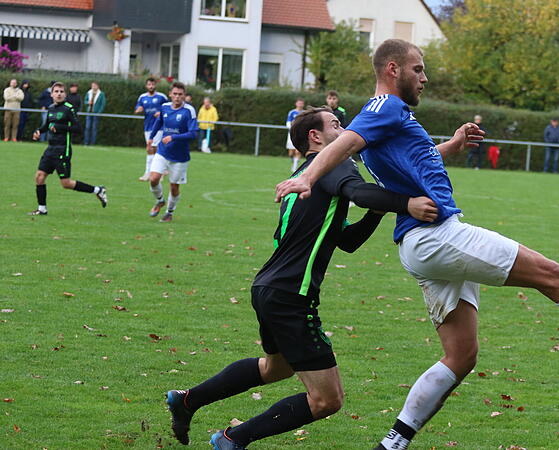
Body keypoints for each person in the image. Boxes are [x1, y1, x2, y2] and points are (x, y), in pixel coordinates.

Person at [275, 39, 559, 450]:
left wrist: (453, 144)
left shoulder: (390, 115)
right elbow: (347, 143)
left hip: (420, 243)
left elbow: (411, 157)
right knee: (550, 274)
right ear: (393, 69)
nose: (425, 78)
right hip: (437, 235)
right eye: (418, 69)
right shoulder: (385, 105)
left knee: (461, 356)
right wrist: (307, 176)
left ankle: (392, 443)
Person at [165, 107, 439, 449]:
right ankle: (232, 439)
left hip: (268, 288)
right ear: (315, 136)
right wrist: (407, 204)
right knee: (327, 399)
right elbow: (360, 192)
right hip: (291, 296)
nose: (345, 130)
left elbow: (348, 240)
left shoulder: (306, 174)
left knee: (275, 368)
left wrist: (379, 209)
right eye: (337, 125)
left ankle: (187, 400)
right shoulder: (334, 164)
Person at [29, 82, 107, 216]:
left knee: (66, 183)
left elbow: (78, 129)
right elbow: (47, 125)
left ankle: (98, 190)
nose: (59, 94)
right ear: (52, 94)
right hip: (50, 149)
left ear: (65, 94)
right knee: (40, 177)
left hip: (62, 150)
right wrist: (38, 131)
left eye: (61, 91)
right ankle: (42, 209)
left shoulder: (68, 109)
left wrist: (60, 128)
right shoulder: (51, 108)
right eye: (56, 91)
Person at [146, 82, 197, 223]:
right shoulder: (164, 107)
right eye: (175, 94)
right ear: (170, 94)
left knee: (174, 187)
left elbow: (193, 134)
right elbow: (159, 122)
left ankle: (169, 212)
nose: (177, 97)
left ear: (184, 96)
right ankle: (160, 201)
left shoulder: (189, 111)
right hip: (163, 151)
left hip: (180, 157)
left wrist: (173, 137)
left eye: (180, 94)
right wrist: (151, 138)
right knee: (153, 178)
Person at [134, 77, 169, 181]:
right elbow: (137, 108)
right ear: (146, 86)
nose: (151, 86)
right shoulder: (142, 97)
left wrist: (161, 113)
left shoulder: (161, 97)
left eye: (152, 84)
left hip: (159, 127)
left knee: (154, 148)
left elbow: (169, 108)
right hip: (148, 126)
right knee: (150, 148)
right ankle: (161, 171)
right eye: (149, 84)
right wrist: (138, 110)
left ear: (155, 85)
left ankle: (151, 173)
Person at [83, 82, 106, 146]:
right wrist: (88, 103)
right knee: (87, 127)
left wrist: (99, 112)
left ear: (98, 86)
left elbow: (103, 104)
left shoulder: (101, 94)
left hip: (96, 114)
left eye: (95, 86)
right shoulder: (89, 93)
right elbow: (85, 101)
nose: (93, 87)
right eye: (92, 86)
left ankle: (92, 143)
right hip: (89, 112)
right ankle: (86, 142)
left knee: (94, 128)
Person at [286, 97, 305, 172]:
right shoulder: (292, 112)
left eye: (301, 103)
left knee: (298, 151)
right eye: (299, 103)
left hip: (301, 134)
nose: (300, 104)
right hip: (292, 134)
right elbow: (288, 122)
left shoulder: (304, 113)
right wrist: (291, 129)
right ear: (296, 103)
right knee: (291, 153)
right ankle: (293, 160)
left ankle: (295, 167)